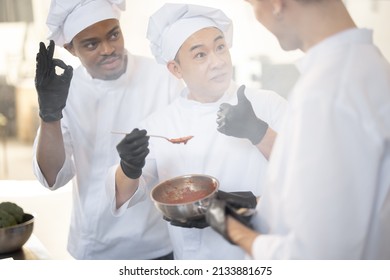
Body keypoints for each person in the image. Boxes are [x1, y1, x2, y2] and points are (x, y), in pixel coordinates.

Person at [206, 0, 390, 259]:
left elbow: (313, 258)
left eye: (252, 5)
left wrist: (233, 229)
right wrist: (261, 208)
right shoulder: (368, 65)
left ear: (277, 4)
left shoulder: (326, 93)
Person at [111, 3, 287, 259]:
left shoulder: (267, 104)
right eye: (200, 55)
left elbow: (305, 170)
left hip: (262, 254)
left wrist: (258, 131)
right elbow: (123, 195)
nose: (217, 62)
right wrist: (129, 166)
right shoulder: (161, 124)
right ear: (175, 69)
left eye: (220, 47)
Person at [32, 0, 183, 260]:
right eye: (91, 44)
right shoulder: (65, 90)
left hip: (156, 239)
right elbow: (52, 176)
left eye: (114, 34)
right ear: (70, 48)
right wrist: (49, 115)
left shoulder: (162, 77)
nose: (109, 49)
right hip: (96, 244)